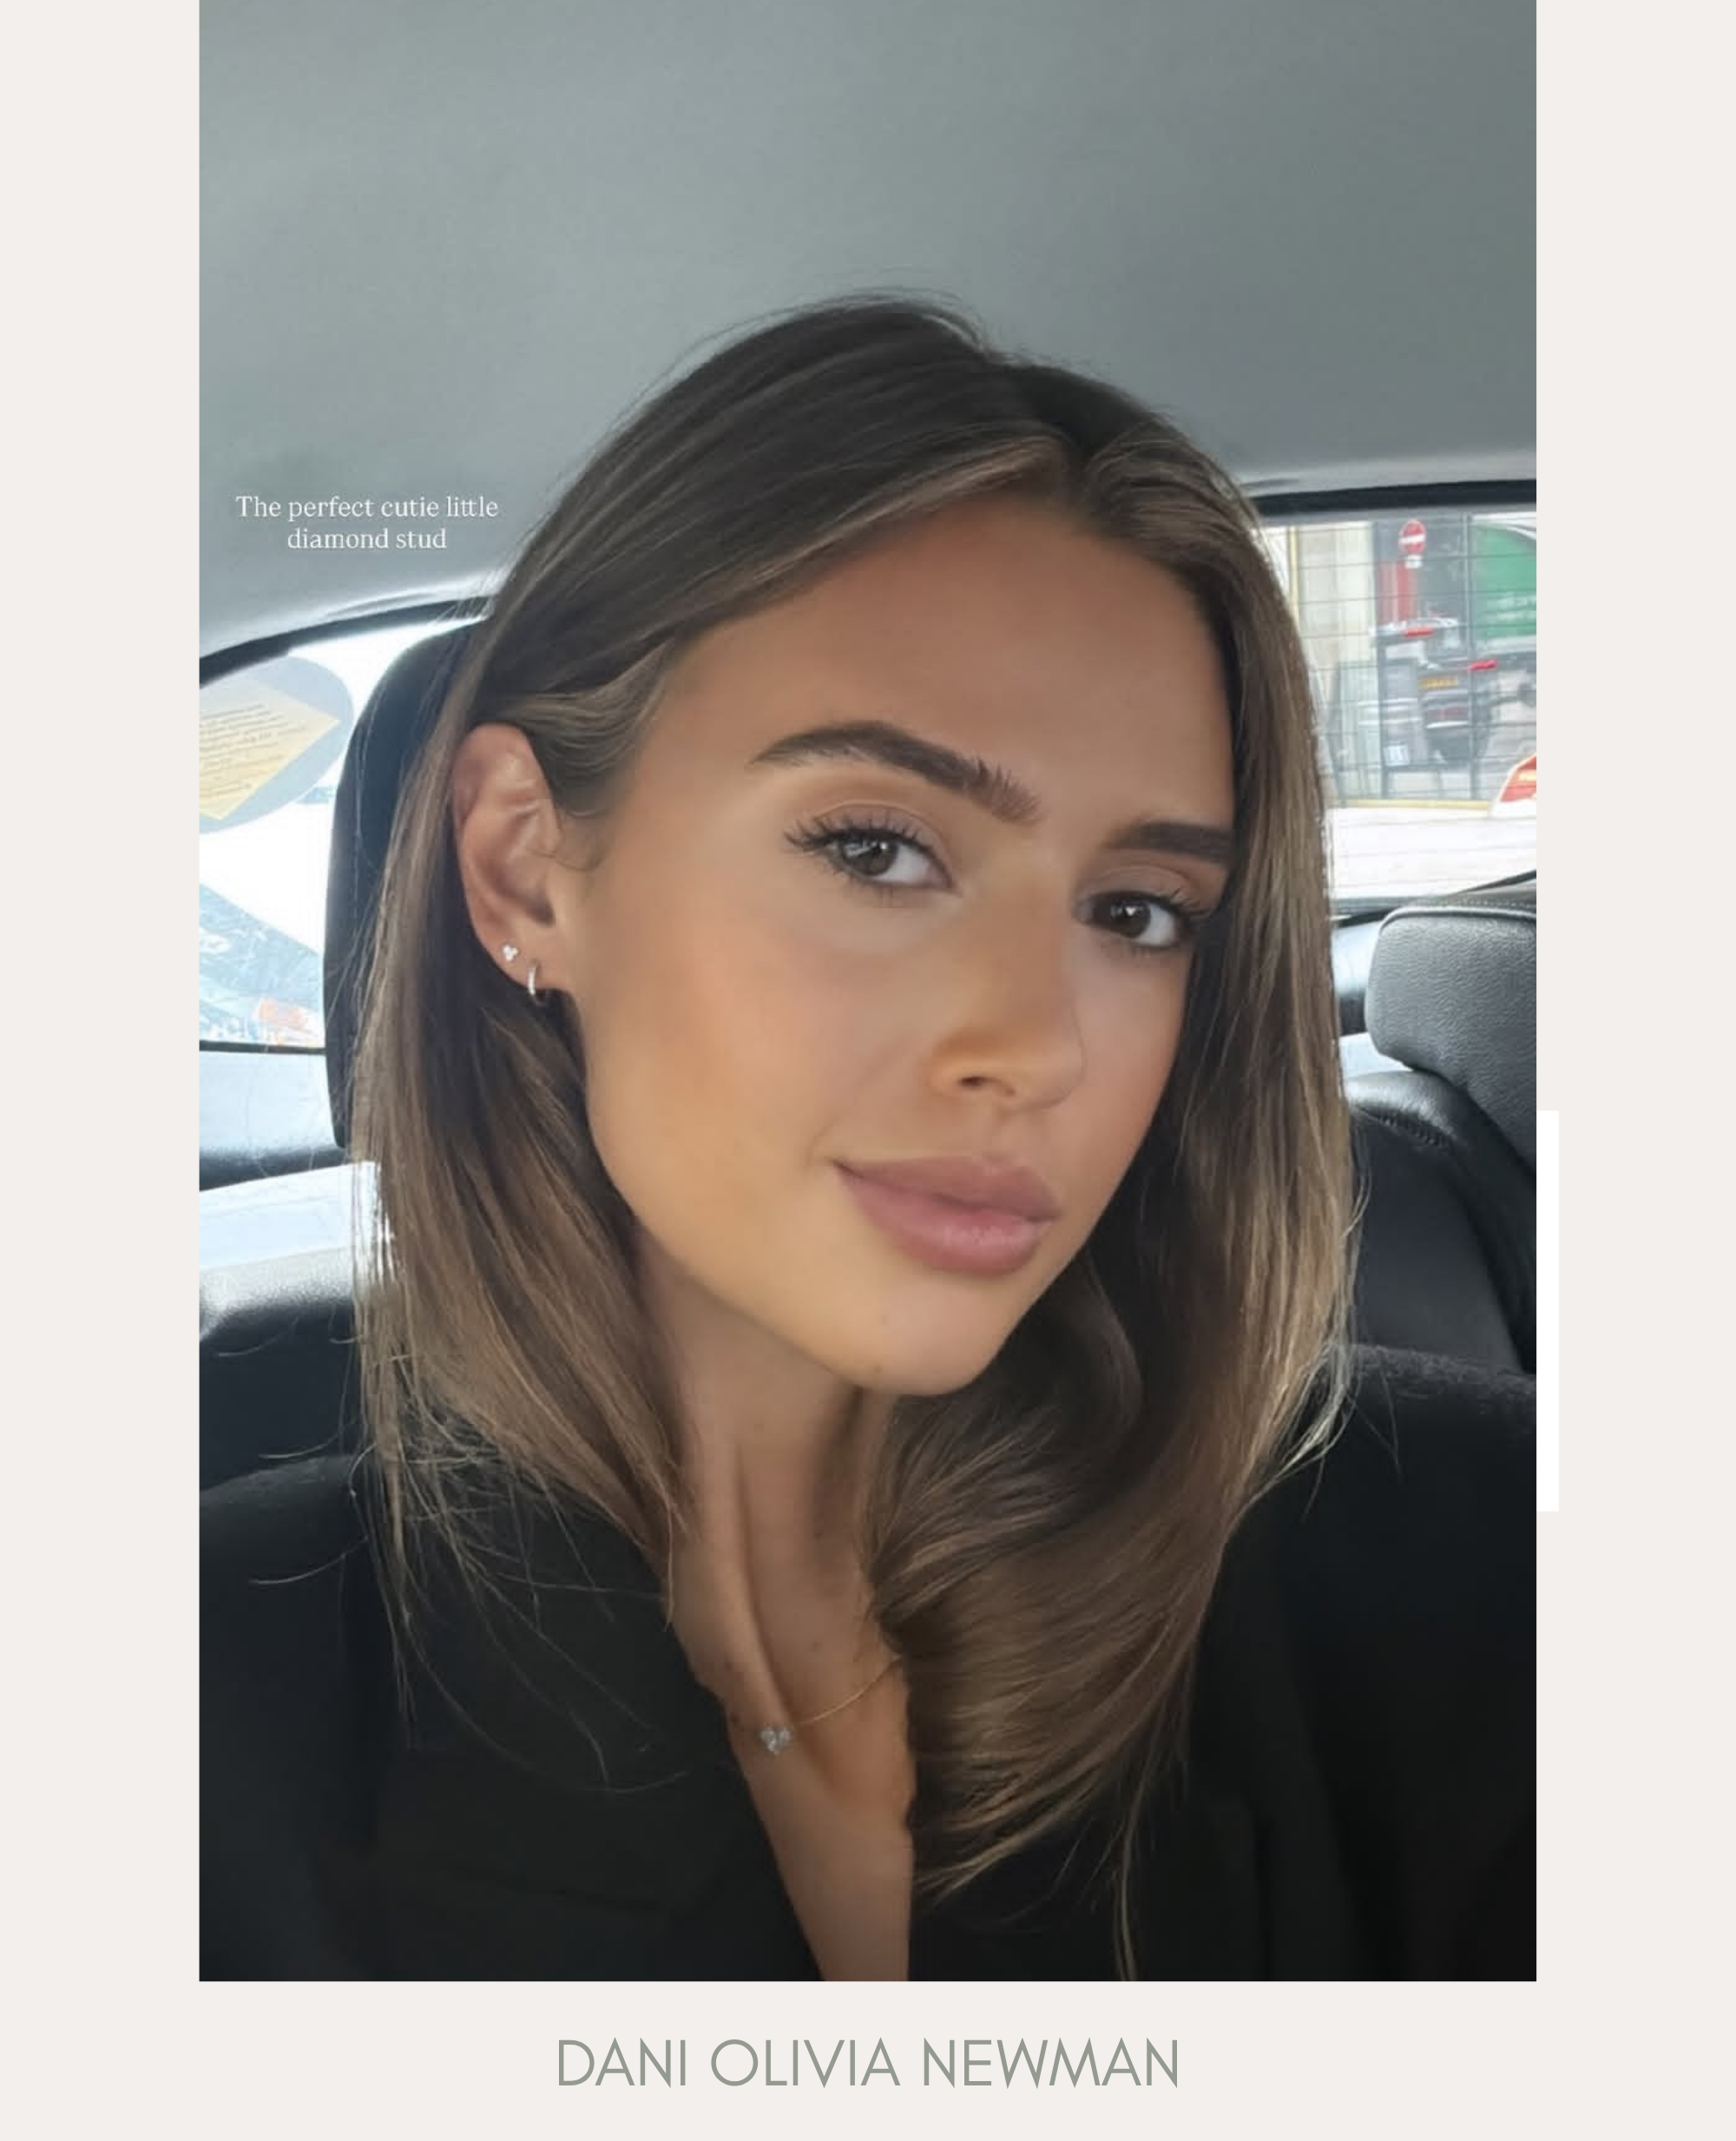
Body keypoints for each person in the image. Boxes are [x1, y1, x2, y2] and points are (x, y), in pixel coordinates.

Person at [201, 296, 1534, 1981]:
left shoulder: (1477, 1567)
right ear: (524, 867)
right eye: (875, 850)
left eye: (1135, 909)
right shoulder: (205, 1717)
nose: (1035, 1046)